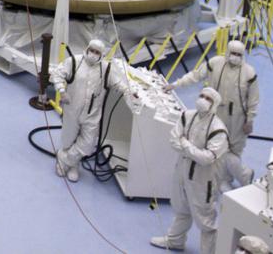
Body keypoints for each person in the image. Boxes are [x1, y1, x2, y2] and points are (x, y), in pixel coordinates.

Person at [169, 39, 259, 187]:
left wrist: (250, 120)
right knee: (216, 148)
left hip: (237, 117)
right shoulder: (215, 63)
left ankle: (242, 175)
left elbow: (254, 99)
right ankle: (229, 178)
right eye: (233, 53)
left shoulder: (249, 73)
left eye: (239, 54)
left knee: (233, 151)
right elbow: (195, 75)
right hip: (215, 113)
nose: (235, 57)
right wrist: (175, 85)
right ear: (227, 52)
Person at [151, 86, 229, 252]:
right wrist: (192, 150)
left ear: (214, 104)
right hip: (182, 170)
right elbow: (173, 140)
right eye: (202, 95)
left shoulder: (218, 130)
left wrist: (185, 143)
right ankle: (175, 240)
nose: (203, 100)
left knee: (205, 219)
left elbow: (206, 158)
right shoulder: (187, 116)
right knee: (181, 208)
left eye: (208, 99)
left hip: (203, 180)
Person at [49, 38, 135, 182]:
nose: (93, 54)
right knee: (68, 140)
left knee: (88, 144)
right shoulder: (74, 62)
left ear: (101, 54)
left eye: (97, 52)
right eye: (92, 50)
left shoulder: (106, 68)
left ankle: (63, 159)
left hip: (92, 113)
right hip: (72, 109)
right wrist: (62, 91)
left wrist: (129, 91)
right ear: (87, 49)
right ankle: (73, 165)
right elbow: (57, 74)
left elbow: (118, 83)